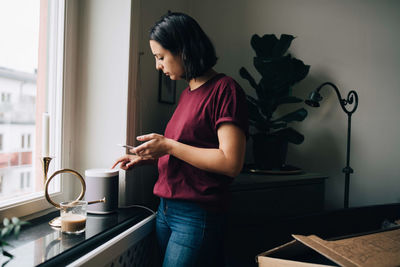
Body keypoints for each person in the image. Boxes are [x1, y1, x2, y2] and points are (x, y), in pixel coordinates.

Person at [112, 12, 248, 267]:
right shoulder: (187, 94)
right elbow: (192, 155)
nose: (157, 65)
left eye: (161, 57)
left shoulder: (225, 89)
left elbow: (230, 162)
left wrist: (168, 145)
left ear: (184, 50)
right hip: (166, 209)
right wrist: (152, 157)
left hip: (196, 214)